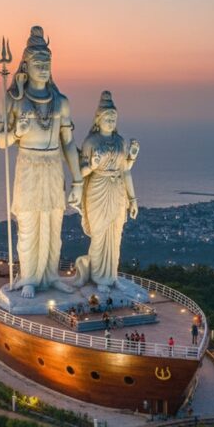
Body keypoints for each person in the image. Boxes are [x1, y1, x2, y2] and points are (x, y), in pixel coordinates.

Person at [0, 26, 83, 298]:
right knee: (30, 222)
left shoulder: (61, 102)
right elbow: (1, 140)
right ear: (26, 65)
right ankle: (30, 276)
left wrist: (78, 179)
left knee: (53, 221)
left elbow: (67, 142)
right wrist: (17, 131)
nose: (44, 68)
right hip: (29, 165)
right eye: (38, 63)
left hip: (53, 164)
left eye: (47, 64)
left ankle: (50, 274)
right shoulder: (13, 99)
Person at [73, 91, 140, 291]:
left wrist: (133, 199)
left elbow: (125, 171)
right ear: (99, 119)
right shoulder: (91, 142)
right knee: (100, 234)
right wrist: (92, 165)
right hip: (97, 189)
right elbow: (81, 171)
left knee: (115, 234)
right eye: (107, 118)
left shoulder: (120, 141)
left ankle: (111, 276)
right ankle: (98, 276)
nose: (111, 121)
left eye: (113, 118)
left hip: (117, 190)